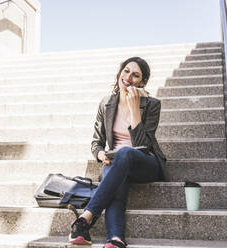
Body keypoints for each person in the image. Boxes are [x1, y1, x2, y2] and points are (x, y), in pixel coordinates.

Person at [68, 57, 167, 248]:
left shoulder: (153, 105)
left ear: (143, 82)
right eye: (126, 71)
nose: (128, 77)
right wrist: (101, 155)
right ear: (120, 72)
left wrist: (134, 110)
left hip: (145, 163)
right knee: (115, 175)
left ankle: (86, 217)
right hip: (115, 164)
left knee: (124, 153)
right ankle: (115, 239)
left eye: (135, 75)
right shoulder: (106, 103)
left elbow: (143, 145)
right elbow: (96, 143)